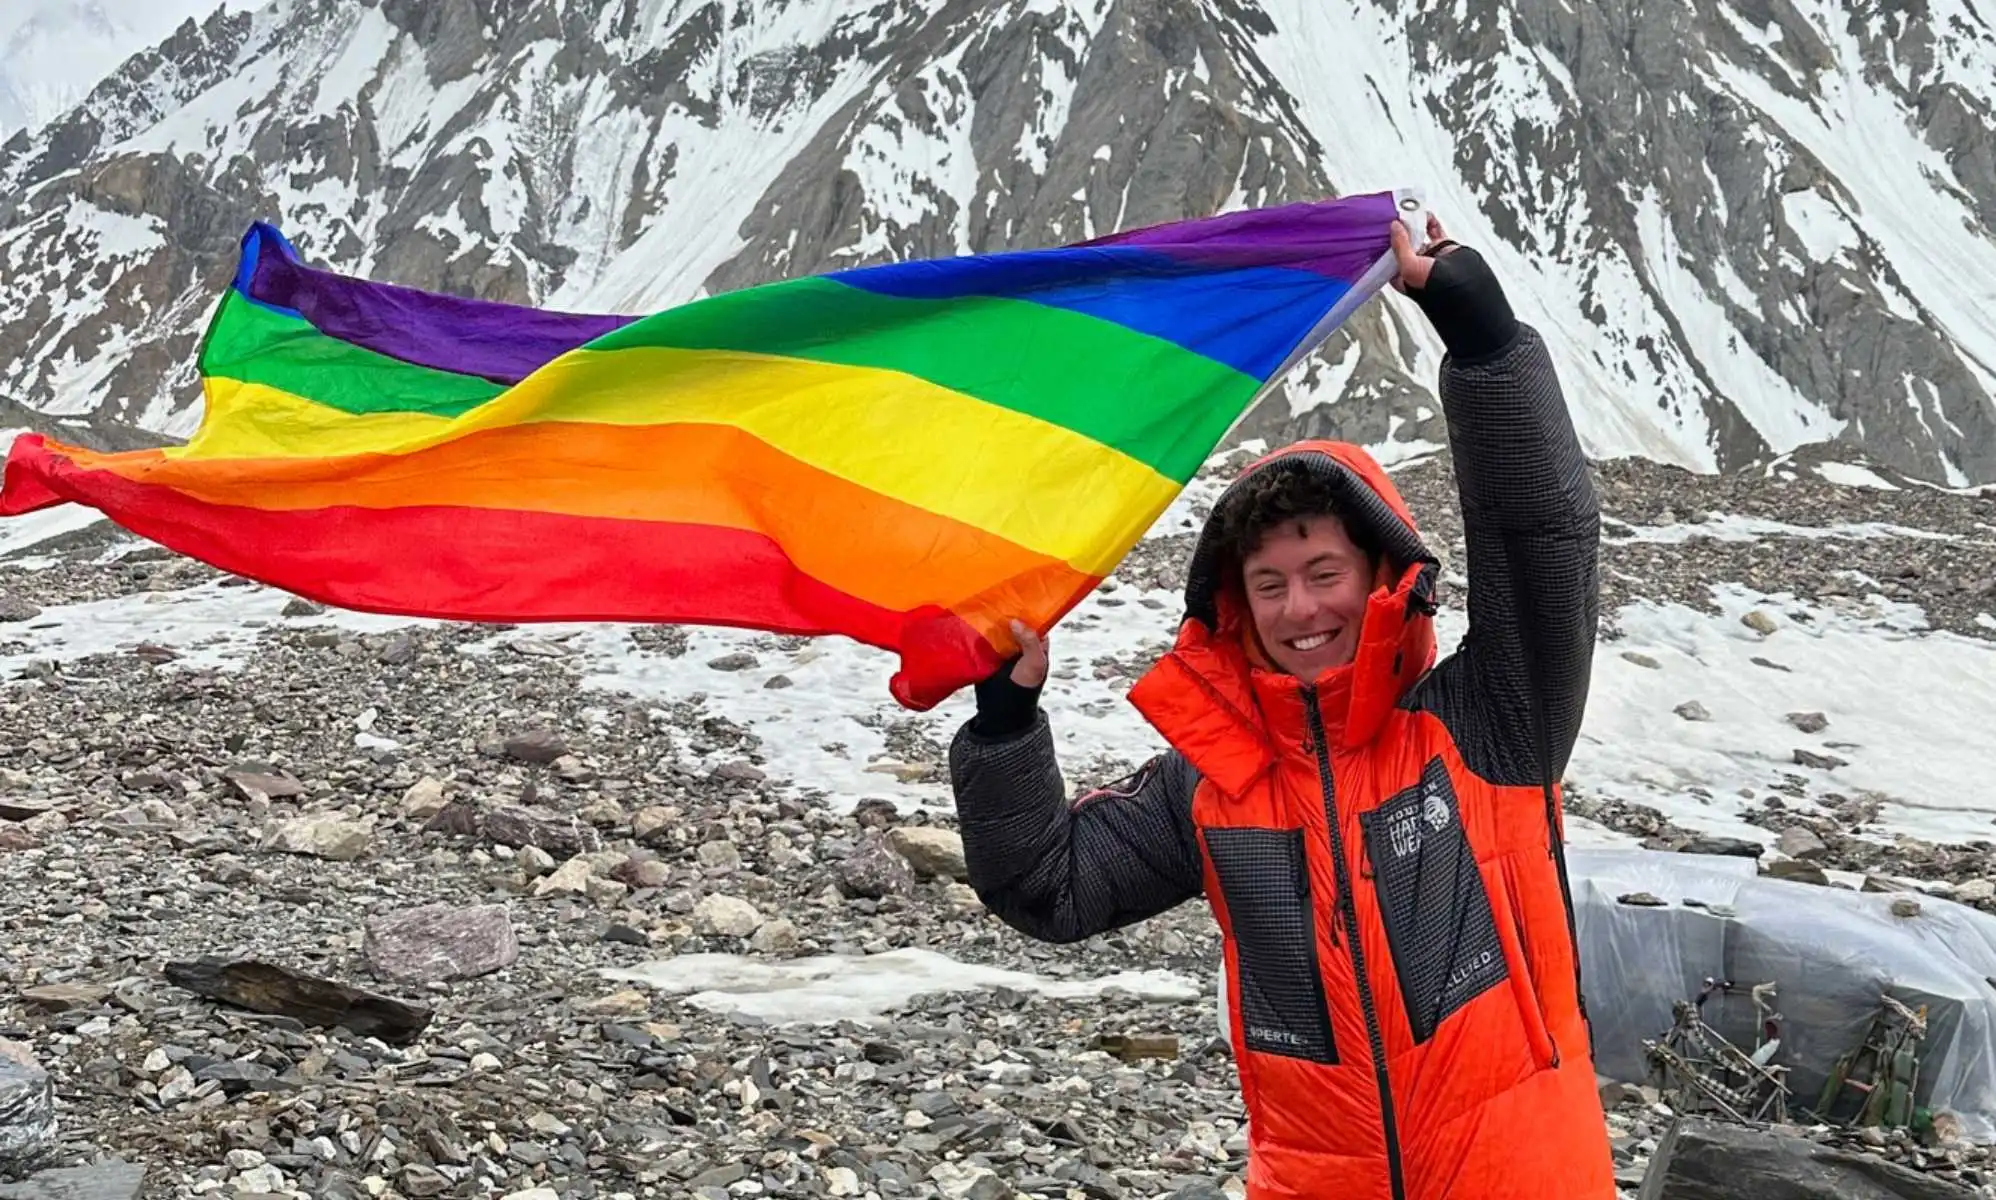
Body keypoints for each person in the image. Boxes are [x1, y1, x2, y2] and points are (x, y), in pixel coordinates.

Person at [946, 215, 1615, 1200]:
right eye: (1269, 584)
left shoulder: (1488, 720)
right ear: (1234, 605)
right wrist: (1005, 724)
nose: (1301, 608)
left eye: (1324, 571)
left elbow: (1542, 535)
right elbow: (1049, 886)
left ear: (1380, 573)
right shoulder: (1213, 786)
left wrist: (1481, 344)